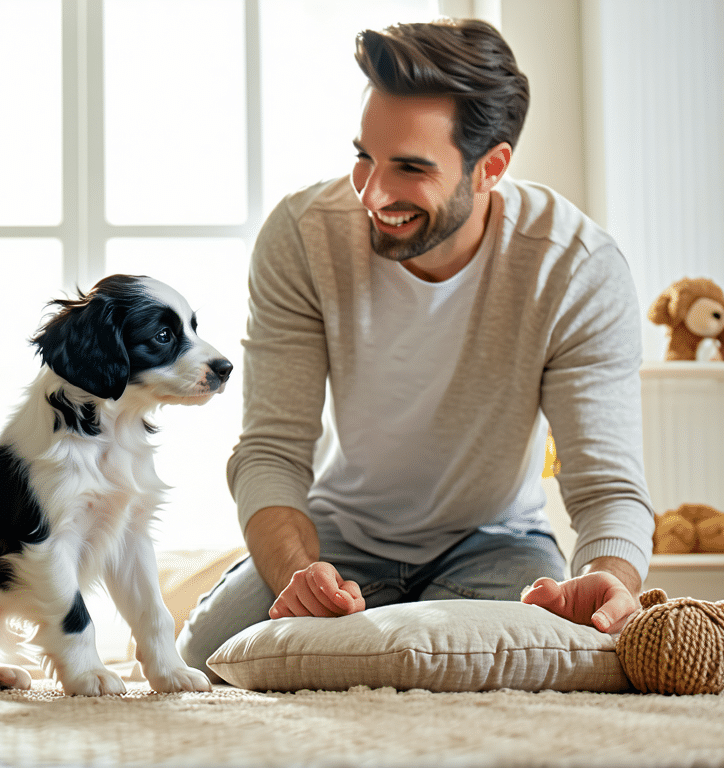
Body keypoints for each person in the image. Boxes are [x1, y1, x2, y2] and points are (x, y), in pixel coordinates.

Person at [176, 18, 656, 679]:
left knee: (560, 668)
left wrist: (609, 576)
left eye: (409, 167)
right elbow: (271, 450)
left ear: (491, 168)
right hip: (336, 538)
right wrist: (299, 573)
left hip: (497, 542)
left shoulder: (576, 267)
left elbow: (606, 485)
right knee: (200, 663)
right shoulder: (301, 237)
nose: (372, 193)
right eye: (364, 156)